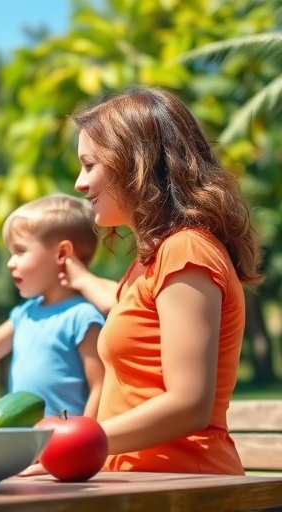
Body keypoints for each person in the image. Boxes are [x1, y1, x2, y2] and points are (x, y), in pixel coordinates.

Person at [55, 86, 263, 475]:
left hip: (185, 485)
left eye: (89, 164)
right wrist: (80, 279)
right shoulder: (151, 261)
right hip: (142, 484)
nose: (80, 184)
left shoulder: (186, 251)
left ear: (133, 162)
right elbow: (133, 316)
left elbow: (188, 403)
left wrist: (70, 443)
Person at [0, 193, 105, 418]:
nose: (10, 263)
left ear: (62, 253)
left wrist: (85, 439)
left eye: (20, 251)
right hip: (27, 442)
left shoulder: (82, 316)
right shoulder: (25, 314)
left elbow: (100, 386)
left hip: (66, 444)